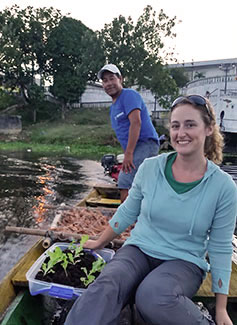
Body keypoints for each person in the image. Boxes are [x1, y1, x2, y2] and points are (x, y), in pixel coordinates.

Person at [65, 95, 237, 325]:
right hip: (139, 250)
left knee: (152, 295)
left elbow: (220, 247)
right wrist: (99, 241)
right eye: (175, 126)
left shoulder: (223, 186)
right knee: (108, 284)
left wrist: (222, 308)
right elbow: (127, 211)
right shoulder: (150, 168)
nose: (181, 132)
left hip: (184, 261)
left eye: (190, 124)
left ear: (208, 129)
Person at [97, 63, 160, 202]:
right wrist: (127, 153)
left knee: (125, 179)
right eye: (105, 80)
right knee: (138, 182)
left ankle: (124, 220)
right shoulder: (113, 108)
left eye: (112, 78)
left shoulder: (129, 95)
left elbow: (136, 123)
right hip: (134, 147)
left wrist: (129, 154)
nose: (108, 83)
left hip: (146, 143)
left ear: (120, 79)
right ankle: (140, 214)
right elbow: (123, 133)